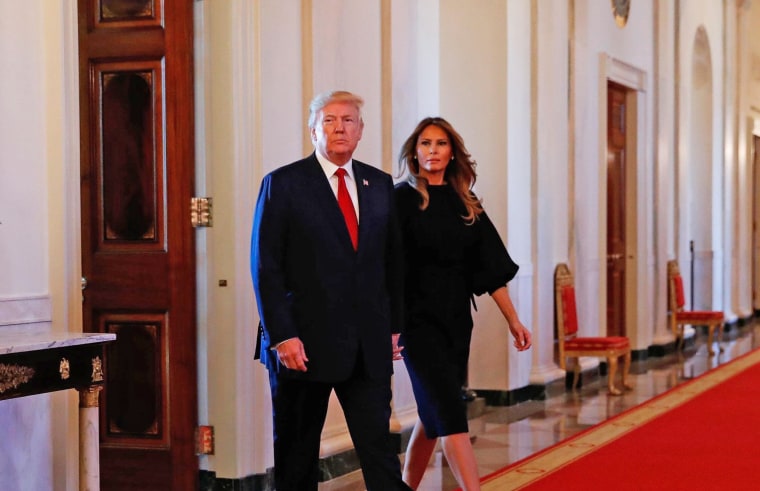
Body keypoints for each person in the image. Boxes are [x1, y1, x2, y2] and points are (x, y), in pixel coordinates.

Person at [250, 90, 411, 491]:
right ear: (313, 131)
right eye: (329, 120)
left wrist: (394, 327)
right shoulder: (283, 184)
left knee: (380, 452)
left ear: (360, 131)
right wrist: (282, 335)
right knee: (297, 456)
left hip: (367, 346)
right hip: (301, 346)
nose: (339, 128)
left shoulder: (379, 184)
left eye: (348, 120)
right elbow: (265, 268)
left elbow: (392, 264)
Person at [394, 117, 532, 491]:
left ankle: (405, 486)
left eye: (440, 144)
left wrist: (514, 320)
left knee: (434, 409)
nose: (432, 151)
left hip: (455, 322)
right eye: (425, 144)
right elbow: (384, 267)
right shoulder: (400, 199)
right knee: (449, 410)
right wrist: (388, 325)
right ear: (415, 152)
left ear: (452, 152)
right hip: (415, 323)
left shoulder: (465, 203)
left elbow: (490, 270)